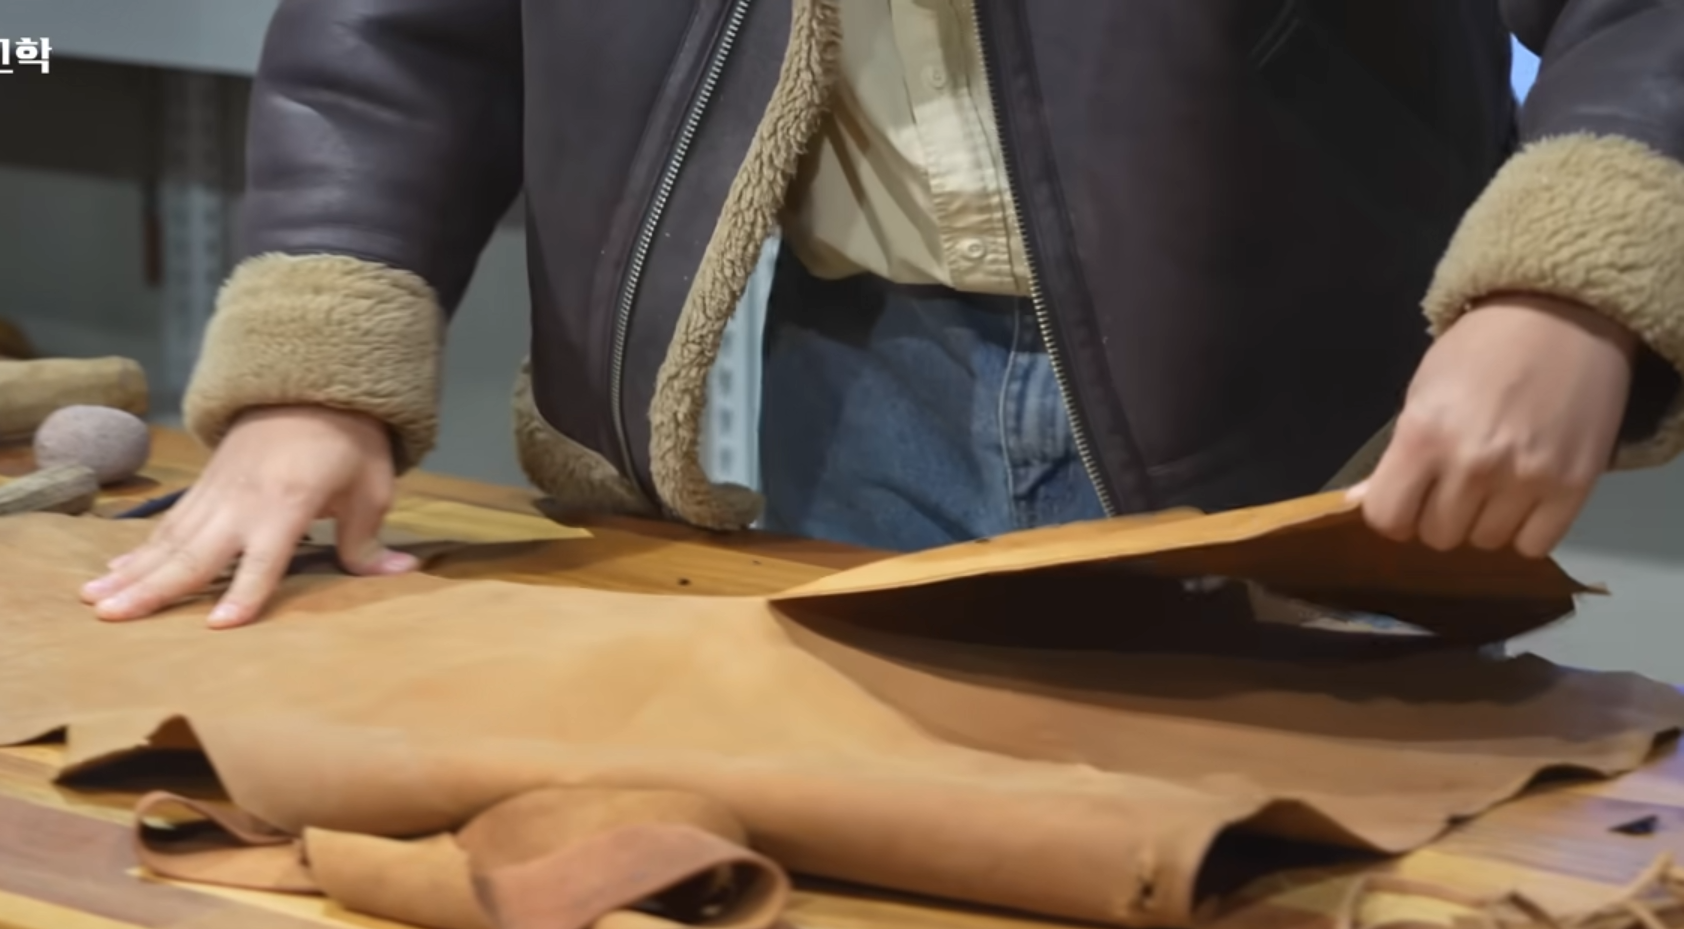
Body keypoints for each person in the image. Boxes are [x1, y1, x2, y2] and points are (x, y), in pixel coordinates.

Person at [84, 0, 1684, 629]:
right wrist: (315, 370)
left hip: (1309, 416)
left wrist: (1570, 282)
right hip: (857, 387)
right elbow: (404, 26)